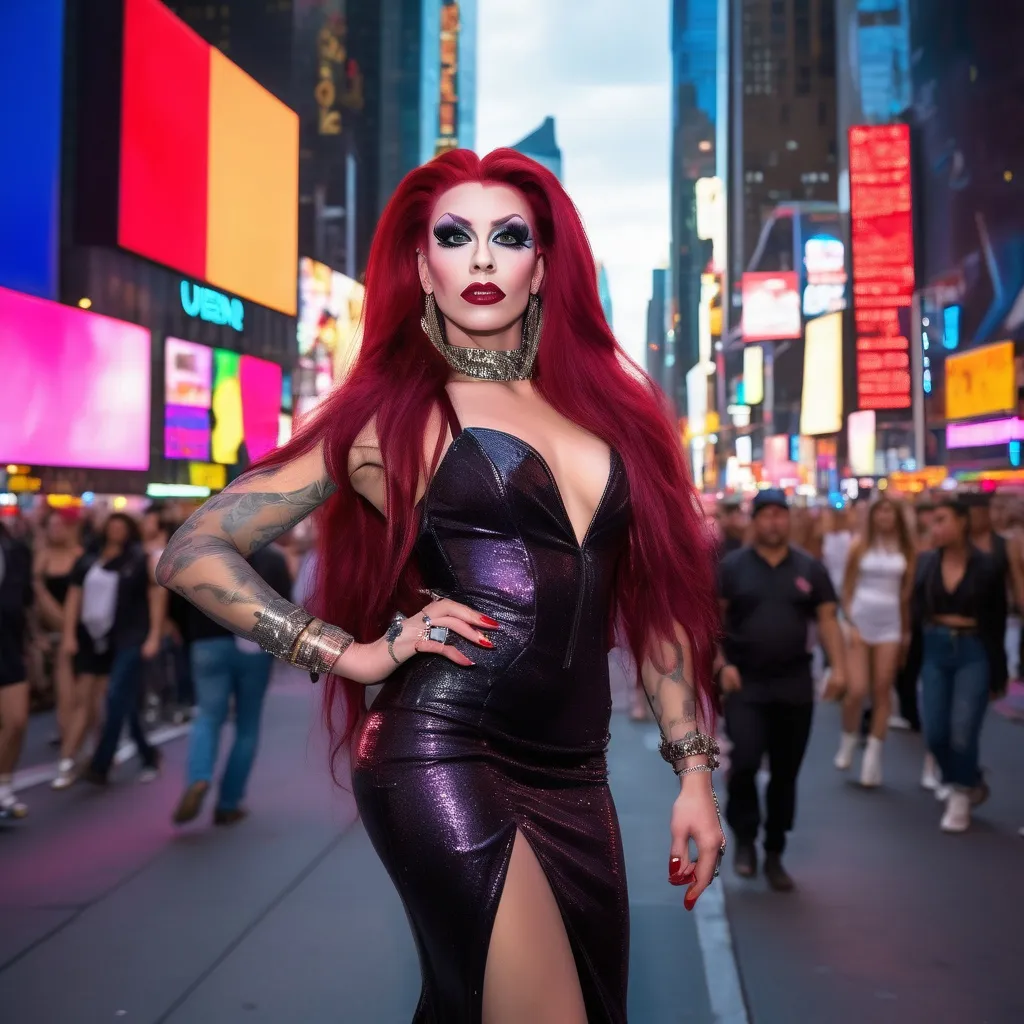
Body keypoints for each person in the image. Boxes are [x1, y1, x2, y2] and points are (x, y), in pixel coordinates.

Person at [157, 148, 724, 1024]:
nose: (484, 258)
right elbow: (195, 548)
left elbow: (650, 612)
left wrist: (694, 774)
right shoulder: (390, 418)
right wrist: (348, 654)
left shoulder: (616, 419)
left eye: (510, 237)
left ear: (543, 267)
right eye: (455, 237)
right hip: (445, 751)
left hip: (580, 775)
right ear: (423, 267)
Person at [718, 488, 847, 891]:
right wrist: (721, 663)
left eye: (780, 514)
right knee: (745, 762)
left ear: (789, 520)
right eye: (766, 514)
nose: (774, 521)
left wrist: (840, 668)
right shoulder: (733, 567)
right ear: (754, 521)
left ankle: (774, 850)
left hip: (794, 683)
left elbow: (827, 621)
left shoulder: (810, 569)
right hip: (746, 682)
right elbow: (712, 622)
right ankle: (744, 838)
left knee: (785, 774)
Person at [171, 543, 292, 827]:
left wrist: (190, 633)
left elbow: (177, 597)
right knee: (247, 726)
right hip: (255, 645)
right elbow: (284, 605)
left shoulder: (201, 554)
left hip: (207, 642)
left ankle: (199, 778)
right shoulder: (273, 558)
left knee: (208, 716)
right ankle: (228, 803)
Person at [915, 498, 1006, 832]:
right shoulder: (926, 563)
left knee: (963, 728)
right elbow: (915, 614)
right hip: (935, 647)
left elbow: (996, 623)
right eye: (932, 522)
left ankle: (959, 793)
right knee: (935, 731)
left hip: (973, 648)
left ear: (962, 522)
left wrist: (1000, 672)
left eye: (942, 520)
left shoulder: (987, 566)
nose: (935, 528)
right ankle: (968, 777)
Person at [63, 513, 166, 786]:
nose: (116, 532)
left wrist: (154, 635)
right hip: (108, 637)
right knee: (125, 702)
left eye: (121, 527)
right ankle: (148, 754)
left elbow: (157, 595)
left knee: (115, 694)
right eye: (112, 527)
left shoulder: (140, 558)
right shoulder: (97, 559)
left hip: (134, 636)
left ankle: (100, 763)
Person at [834, 497, 915, 786]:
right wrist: (849, 623)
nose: (884, 517)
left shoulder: (906, 548)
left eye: (889, 511)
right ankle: (848, 737)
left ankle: (873, 756)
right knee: (857, 689)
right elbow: (846, 589)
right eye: (880, 511)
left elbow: (906, 596)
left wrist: (905, 632)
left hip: (890, 624)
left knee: (882, 689)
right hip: (860, 618)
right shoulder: (859, 545)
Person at [32, 510, 86, 789]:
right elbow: (31, 598)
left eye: (58, 525)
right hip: (51, 633)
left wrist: (65, 624)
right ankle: (70, 751)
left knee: (81, 695)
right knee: (64, 695)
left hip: (77, 631)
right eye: (49, 525)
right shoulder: (42, 558)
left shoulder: (79, 556)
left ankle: (76, 751)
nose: (54, 530)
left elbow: (80, 600)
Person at [0, 521, 33, 819]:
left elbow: (27, 600)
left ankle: (4, 787)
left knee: (17, 721)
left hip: (9, 647)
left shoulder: (15, 551)